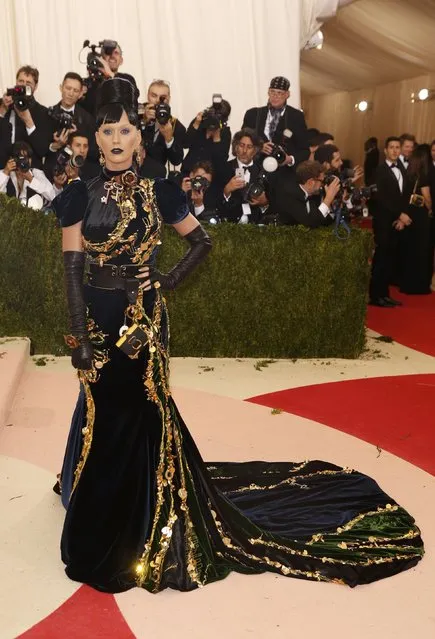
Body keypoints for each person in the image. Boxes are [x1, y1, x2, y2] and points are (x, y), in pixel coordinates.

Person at [52, 77, 423, 595]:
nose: (116, 139)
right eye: (108, 130)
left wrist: (164, 283)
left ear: (139, 136)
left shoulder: (160, 190)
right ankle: (101, 515)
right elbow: (71, 268)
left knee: (141, 415)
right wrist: (77, 336)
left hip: (144, 319)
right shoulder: (76, 193)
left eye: (126, 130)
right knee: (101, 412)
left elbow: (201, 244)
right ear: (96, 137)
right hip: (97, 316)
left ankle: (141, 519)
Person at [369, 137, 409, 307]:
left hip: (397, 221)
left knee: (390, 258)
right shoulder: (379, 170)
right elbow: (381, 198)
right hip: (384, 221)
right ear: (385, 150)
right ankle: (376, 295)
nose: (394, 150)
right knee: (381, 259)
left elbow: (404, 195)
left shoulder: (402, 168)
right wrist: (399, 214)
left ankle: (385, 294)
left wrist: (403, 215)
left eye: (397, 147)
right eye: (391, 147)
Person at [242, 76, 309, 166]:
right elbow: (241, 142)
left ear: (287, 94)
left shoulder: (296, 116)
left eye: (279, 93)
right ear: (268, 92)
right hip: (256, 169)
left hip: (283, 173)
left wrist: (289, 159)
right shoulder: (253, 114)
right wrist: (258, 148)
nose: (275, 96)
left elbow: (304, 150)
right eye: (272, 92)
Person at [0, 65, 53, 169]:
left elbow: (42, 150)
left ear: (35, 86)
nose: (24, 85)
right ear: (16, 82)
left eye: (28, 83)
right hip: (3, 169)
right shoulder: (3, 104)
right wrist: (2, 112)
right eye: (21, 81)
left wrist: (29, 122)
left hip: (29, 171)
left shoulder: (43, 113)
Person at [219, 128, 272, 224]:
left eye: (249, 147)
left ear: (255, 150)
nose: (244, 150)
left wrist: (264, 202)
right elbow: (214, 201)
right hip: (229, 225)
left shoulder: (262, 171)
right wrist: (226, 190)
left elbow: (271, 204)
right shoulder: (223, 169)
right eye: (241, 145)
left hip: (256, 224)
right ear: (236, 147)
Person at [399, 145, 433, 295]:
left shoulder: (408, 174)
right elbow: (427, 199)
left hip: (409, 214)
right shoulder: (423, 176)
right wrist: (430, 208)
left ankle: (406, 283)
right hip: (421, 217)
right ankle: (419, 285)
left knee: (409, 250)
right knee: (421, 251)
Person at [275, 160, 340, 228]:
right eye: (322, 181)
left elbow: (324, 222)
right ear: (311, 182)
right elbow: (310, 223)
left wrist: (330, 201)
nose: (323, 185)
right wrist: (328, 199)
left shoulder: (311, 195)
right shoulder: (291, 196)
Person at [139, 80, 186, 168]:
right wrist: (143, 121)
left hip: (156, 176)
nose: (157, 100)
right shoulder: (135, 115)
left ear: (169, 99)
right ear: (147, 96)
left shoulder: (175, 125)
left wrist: (169, 139)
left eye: (162, 97)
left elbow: (176, 161)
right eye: (154, 96)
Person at [182, 99, 231, 175]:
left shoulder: (225, 132)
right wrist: (196, 124)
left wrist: (217, 138)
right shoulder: (200, 122)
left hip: (209, 175)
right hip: (189, 170)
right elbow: (185, 144)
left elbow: (221, 161)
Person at [0, 141, 56, 209]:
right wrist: (5, 172)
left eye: (27, 157)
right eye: (21, 158)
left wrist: (32, 180)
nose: (25, 161)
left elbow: (53, 196)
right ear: (13, 159)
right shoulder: (5, 173)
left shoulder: (36, 173)